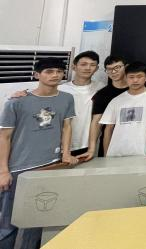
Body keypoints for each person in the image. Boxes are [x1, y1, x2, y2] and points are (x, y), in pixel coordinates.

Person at [0, 58, 78, 249]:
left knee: (38, 219)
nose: (55, 75)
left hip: (51, 165)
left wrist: (66, 153)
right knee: (8, 222)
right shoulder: (16, 102)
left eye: (59, 71)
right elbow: (4, 137)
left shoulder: (67, 98)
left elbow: (67, 127)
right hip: (19, 167)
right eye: (49, 71)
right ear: (37, 75)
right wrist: (3, 170)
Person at [100, 62, 146, 157]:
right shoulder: (116, 100)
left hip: (142, 151)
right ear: (125, 78)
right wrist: (106, 154)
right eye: (131, 77)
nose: (135, 80)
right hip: (115, 153)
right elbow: (108, 128)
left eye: (139, 76)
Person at [80, 55, 129, 160]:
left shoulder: (140, 89)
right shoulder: (102, 94)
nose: (113, 72)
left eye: (117, 67)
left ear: (126, 67)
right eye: (109, 69)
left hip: (137, 142)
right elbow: (96, 122)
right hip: (109, 143)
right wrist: (91, 149)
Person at [58, 51, 104, 156]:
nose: (88, 68)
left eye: (92, 65)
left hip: (88, 145)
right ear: (74, 67)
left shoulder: (101, 88)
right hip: (62, 144)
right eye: (83, 64)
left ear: (97, 68)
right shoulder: (61, 89)